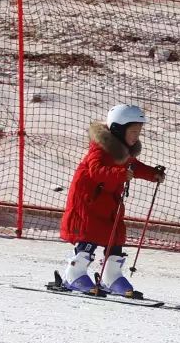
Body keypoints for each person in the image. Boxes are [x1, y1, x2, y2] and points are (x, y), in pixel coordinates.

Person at [59, 104, 165, 297]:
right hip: (89, 200)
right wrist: (120, 173)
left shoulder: (123, 151)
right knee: (89, 235)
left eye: (138, 132)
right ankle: (74, 275)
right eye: (133, 131)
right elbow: (96, 171)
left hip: (108, 201)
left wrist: (152, 174)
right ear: (117, 128)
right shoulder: (100, 149)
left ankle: (111, 277)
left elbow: (133, 166)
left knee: (114, 238)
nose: (136, 136)